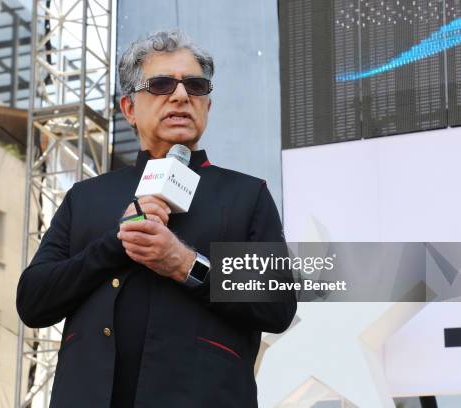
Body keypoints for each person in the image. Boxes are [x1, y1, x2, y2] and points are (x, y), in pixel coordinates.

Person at [16, 29, 296, 408]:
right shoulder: (87, 198)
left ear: (207, 107)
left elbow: (277, 304)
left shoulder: (246, 195)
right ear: (129, 109)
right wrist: (115, 244)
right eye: (162, 84)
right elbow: (32, 302)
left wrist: (185, 264)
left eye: (195, 86)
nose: (181, 96)